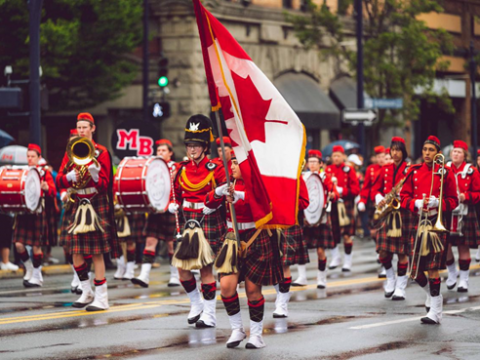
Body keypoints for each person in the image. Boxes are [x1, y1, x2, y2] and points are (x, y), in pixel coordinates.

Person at [205, 151, 282, 349]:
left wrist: (240, 196)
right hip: (232, 238)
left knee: (252, 290)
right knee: (226, 287)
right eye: (231, 163)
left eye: (237, 163)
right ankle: (237, 329)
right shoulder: (228, 182)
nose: (232, 167)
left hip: (255, 237)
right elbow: (208, 204)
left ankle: (256, 335)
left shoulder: (258, 183)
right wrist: (218, 193)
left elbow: (265, 204)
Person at [56, 112, 120, 311]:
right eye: (79, 127)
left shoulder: (101, 152)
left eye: (85, 127)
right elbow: (58, 178)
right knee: (75, 251)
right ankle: (86, 291)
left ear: (93, 128)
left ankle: (102, 297)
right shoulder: (70, 151)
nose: (81, 130)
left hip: (95, 201)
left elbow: (106, 184)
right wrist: (68, 178)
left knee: (97, 253)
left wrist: (94, 174)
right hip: (77, 201)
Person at [168, 114, 226, 327]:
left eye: (196, 145)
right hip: (188, 220)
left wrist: (215, 200)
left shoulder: (216, 168)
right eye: (189, 145)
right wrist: (171, 204)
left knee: (205, 270)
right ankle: (196, 304)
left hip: (207, 219)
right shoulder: (181, 168)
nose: (192, 150)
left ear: (205, 147)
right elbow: (175, 192)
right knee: (182, 269)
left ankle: (209, 315)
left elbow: (225, 193)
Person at [400, 135, 458, 324]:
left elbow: (454, 200)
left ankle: (435, 310)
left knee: (433, 268)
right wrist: (415, 202)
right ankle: (434, 297)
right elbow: (403, 197)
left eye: (431, 150)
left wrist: (439, 202)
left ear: (438, 153)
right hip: (418, 221)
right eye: (424, 150)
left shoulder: (446, 172)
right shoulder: (413, 171)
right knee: (415, 271)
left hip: (436, 223)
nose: (427, 153)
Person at [131, 139, 180, 287]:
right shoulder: (152, 167)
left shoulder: (176, 167)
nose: (160, 153)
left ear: (170, 153)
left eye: (163, 151)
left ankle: (175, 276)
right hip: (156, 209)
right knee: (150, 241)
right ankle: (144, 275)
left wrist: (174, 202)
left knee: (171, 244)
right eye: (158, 151)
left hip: (171, 208)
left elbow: (179, 187)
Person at [371, 137, 411, 300]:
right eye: (392, 150)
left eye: (398, 150)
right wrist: (379, 197)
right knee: (382, 251)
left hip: (403, 214)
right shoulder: (385, 169)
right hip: (387, 213)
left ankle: (401, 286)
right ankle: (390, 278)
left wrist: (405, 196)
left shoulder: (409, 169)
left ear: (403, 151)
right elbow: (375, 188)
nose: (394, 153)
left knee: (402, 252)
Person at [12, 144, 56, 287]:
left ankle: (37, 275)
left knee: (37, 246)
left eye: (33, 156)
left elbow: (53, 191)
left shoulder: (44, 173)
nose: (30, 159)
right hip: (24, 212)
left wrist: (46, 187)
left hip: (37, 212)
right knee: (19, 245)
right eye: (28, 156)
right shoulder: (23, 172)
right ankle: (29, 268)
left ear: (39, 157)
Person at [296, 150, 337, 289]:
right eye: (310, 162)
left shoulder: (325, 177)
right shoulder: (303, 177)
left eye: (315, 162)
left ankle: (321, 278)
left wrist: (332, 195)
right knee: (302, 249)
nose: (312, 164)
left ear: (320, 164)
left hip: (321, 216)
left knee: (320, 250)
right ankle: (302, 277)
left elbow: (335, 193)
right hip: (306, 216)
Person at [444, 140, 480, 292]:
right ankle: (452, 272)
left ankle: (464, 279)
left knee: (463, 246)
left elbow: (478, 193)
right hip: (447, 211)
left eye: (458, 152)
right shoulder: (445, 169)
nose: (455, 154)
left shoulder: (471, 171)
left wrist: (466, 196)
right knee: (445, 246)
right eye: (454, 151)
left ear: (464, 155)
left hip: (465, 212)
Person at [274, 174, 309, 316]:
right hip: (269, 222)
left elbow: (305, 201)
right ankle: (281, 295)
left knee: (284, 264)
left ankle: (282, 304)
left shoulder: (296, 176)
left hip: (288, 222)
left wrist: (287, 202)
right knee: (272, 264)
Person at [326, 145, 360, 271]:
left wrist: (342, 190)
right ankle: (335, 257)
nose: (336, 158)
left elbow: (356, 189)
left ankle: (348, 261)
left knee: (347, 235)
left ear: (343, 156)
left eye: (338, 155)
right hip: (333, 205)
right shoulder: (328, 169)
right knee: (332, 233)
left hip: (346, 204)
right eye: (334, 155)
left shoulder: (349, 169)